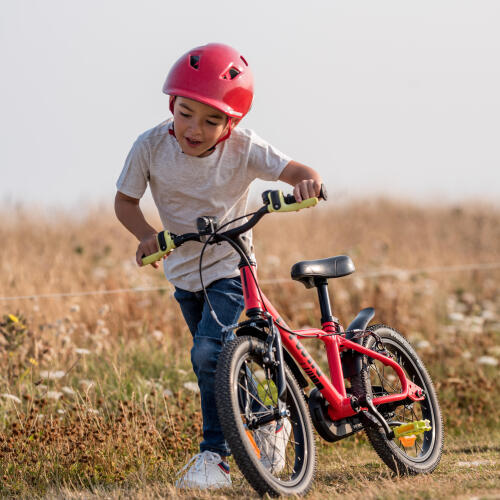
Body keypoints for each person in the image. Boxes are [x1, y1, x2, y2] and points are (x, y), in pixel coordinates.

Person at [115, 43, 322, 490]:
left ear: (232, 123)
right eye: (186, 113)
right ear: (173, 104)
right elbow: (125, 202)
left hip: (230, 266)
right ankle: (272, 423)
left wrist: (307, 181)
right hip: (184, 273)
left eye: (212, 120)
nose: (195, 128)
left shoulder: (245, 147)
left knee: (210, 354)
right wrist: (145, 235)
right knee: (223, 361)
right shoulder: (150, 146)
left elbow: (295, 169)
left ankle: (216, 458)